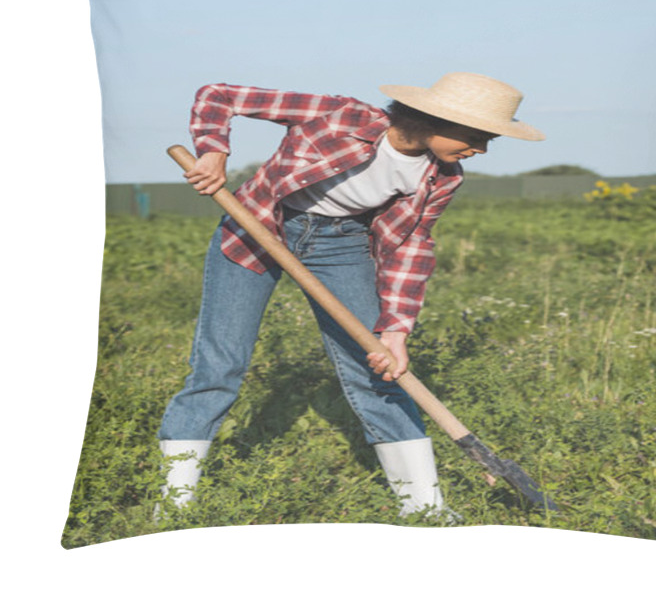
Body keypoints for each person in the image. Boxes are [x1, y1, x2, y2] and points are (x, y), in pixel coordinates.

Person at [157, 71, 545, 521]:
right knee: (220, 365)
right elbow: (219, 95)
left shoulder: (444, 177)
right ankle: (172, 506)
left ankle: (424, 508)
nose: (480, 149)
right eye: (476, 136)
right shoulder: (340, 115)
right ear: (434, 118)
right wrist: (213, 151)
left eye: (489, 140)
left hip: (341, 245)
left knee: (379, 370)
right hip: (256, 225)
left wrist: (396, 331)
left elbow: (410, 247)